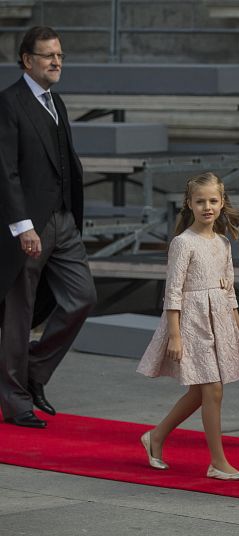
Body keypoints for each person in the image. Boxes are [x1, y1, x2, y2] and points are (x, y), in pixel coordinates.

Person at [0, 26, 96, 429]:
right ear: (27, 60)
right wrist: (23, 227)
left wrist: (71, 217)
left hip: (62, 222)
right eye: (48, 56)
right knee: (18, 316)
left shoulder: (56, 101)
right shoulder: (9, 103)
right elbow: (6, 171)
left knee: (83, 297)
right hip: (28, 227)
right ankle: (15, 400)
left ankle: (33, 374)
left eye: (60, 55)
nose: (57, 62)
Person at [136, 172, 239, 480]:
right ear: (189, 204)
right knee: (212, 389)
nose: (207, 207)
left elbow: (229, 291)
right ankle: (217, 462)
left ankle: (156, 437)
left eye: (213, 201)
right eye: (200, 201)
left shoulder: (224, 243)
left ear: (222, 202)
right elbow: (173, 290)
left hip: (220, 321)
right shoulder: (182, 243)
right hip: (192, 321)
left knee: (202, 392)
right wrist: (175, 335)